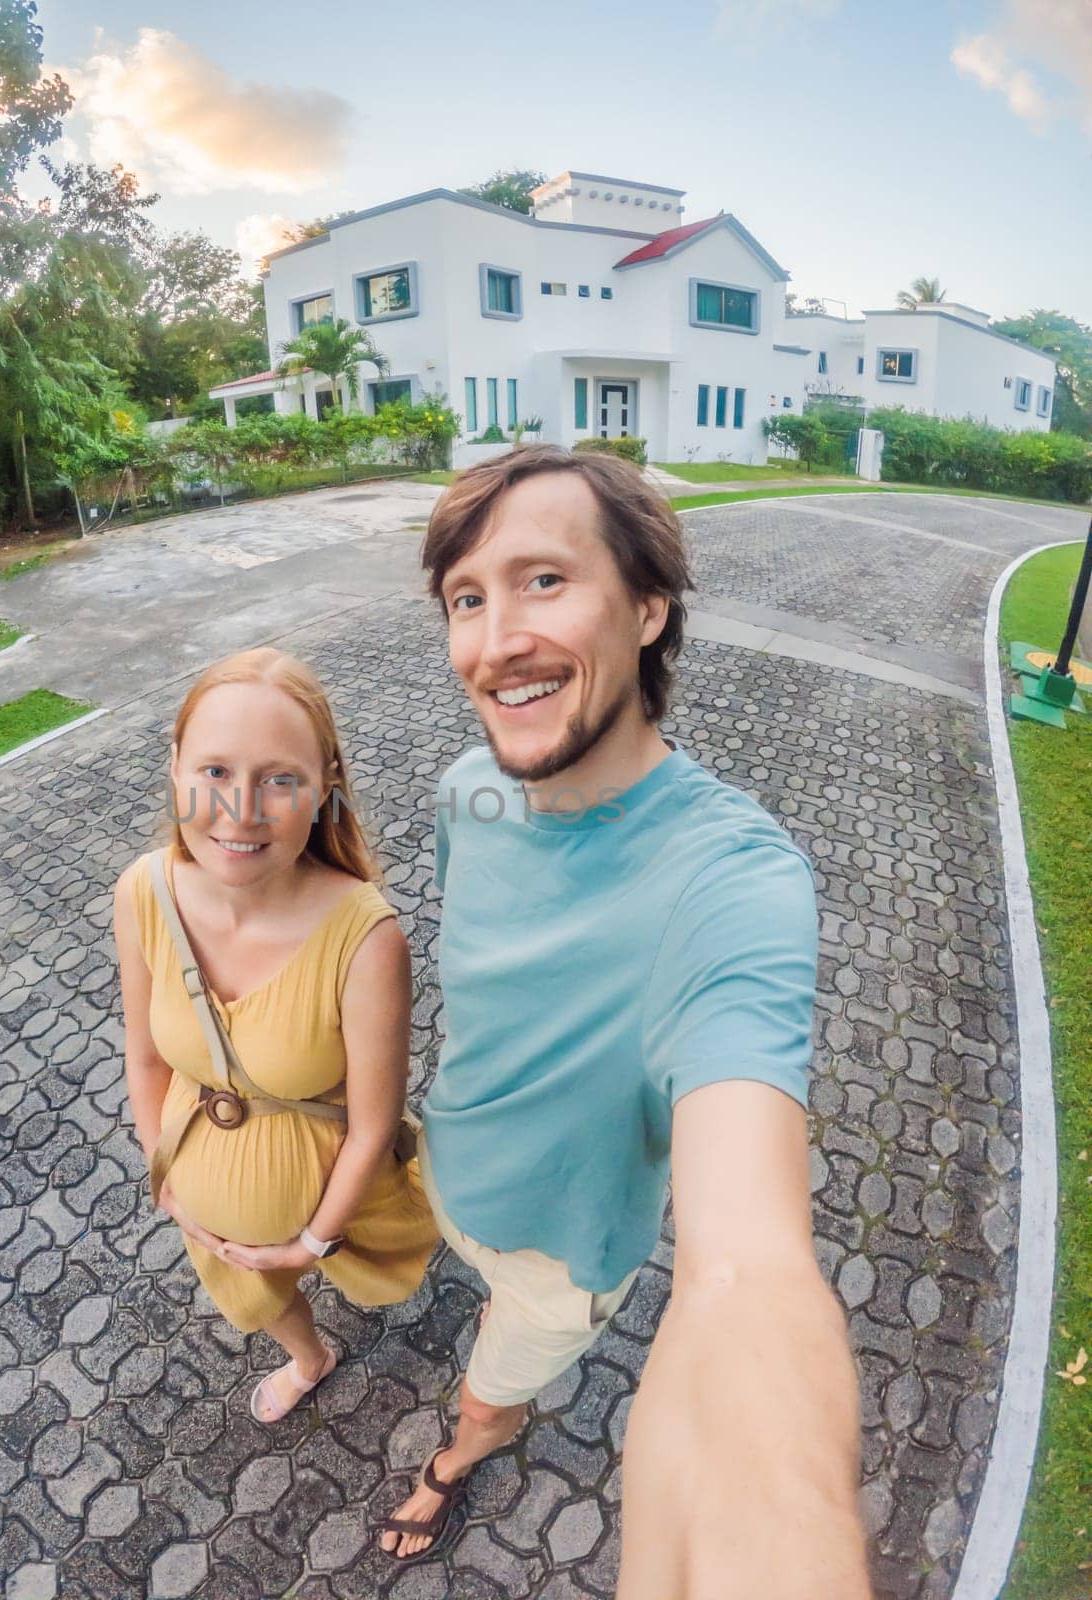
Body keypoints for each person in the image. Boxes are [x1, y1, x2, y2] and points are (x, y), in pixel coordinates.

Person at [377, 445, 872, 1598]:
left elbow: (745, 1268)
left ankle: (460, 1452)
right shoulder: (468, 790)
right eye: (465, 597)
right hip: (445, 1168)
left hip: (562, 1254)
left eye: (543, 579)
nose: (494, 640)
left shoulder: (732, 875)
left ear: (647, 607)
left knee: (494, 1378)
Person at [114, 648, 438, 1424]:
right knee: (257, 1301)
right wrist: (167, 1179)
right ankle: (309, 1355)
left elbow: (371, 1126)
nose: (241, 809)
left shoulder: (365, 936)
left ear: (324, 786)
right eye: (216, 771)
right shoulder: (142, 893)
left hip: (335, 1211)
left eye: (280, 779)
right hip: (206, 1212)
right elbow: (146, 1055)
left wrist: (312, 1243)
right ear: (175, 765)